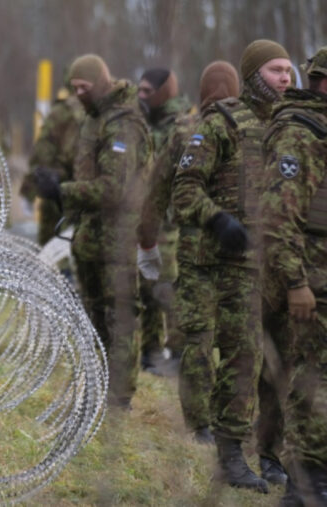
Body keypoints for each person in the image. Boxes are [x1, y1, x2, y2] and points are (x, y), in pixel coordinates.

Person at [171, 39, 292, 493]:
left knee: (265, 360)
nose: (286, 78)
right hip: (222, 263)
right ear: (255, 73)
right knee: (239, 353)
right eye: (277, 70)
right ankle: (230, 457)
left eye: (289, 71)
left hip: (272, 265)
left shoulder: (289, 128)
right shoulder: (221, 124)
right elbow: (184, 189)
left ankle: (265, 454)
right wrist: (216, 218)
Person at [35, 54, 152, 408]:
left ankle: (118, 397)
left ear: (101, 84)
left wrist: (63, 191)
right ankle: (97, 386)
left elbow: (114, 189)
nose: (79, 94)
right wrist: (57, 183)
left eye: (84, 88)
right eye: (74, 89)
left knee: (119, 316)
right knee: (93, 315)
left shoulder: (122, 125)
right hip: (90, 233)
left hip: (118, 237)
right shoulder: (94, 120)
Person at [139, 61, 240, 442]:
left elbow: (154, 195)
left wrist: (146, 242)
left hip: (194, 250)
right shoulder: (250, 130)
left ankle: (201, 426)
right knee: (238, 342)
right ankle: (234, 424)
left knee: (196, 340)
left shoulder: (183, 131)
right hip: (241, 252)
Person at [259, 46, 327, 505]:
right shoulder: (298, 133)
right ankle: (306, 481)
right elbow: (277, 218)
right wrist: (296, 283)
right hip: (312, 281)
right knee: (312, 380)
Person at [135, 68, 193, 372]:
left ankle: (177, 350)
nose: (141, 96)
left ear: (163, 92)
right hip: (146, 216)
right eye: (140, 90)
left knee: (168, 284)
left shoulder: (181, 125)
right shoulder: (143, 122)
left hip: (172, 219)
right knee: (147, 284)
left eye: (147, 91)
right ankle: (151, 350)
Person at [25, 64, 86, 245]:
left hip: (57, 189)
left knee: (51, 252)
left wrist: (29, 189)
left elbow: (42, 152)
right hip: (91, 193)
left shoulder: (61, 112)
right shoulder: (105, 110)